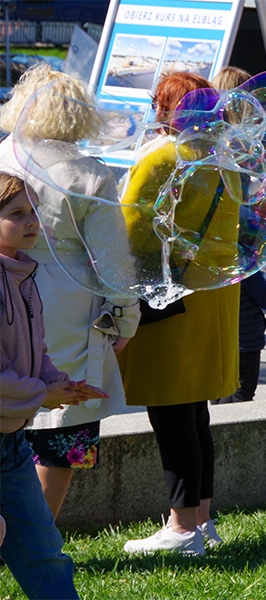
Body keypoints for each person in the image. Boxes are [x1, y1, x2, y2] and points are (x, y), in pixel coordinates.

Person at [0, 63, 140, 520]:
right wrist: (125, 318)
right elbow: (113, 261)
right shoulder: (89, 173)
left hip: (6, 292)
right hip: (70, 306)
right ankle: (39, 534)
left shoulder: (4, 157)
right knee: (63, 433)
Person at [118, 72, 240, 556]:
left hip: (171, 301)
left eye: (158, 102)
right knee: (194, 415)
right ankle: (201, 522)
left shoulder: (165, 156)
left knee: (170, 415)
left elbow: (127, 226)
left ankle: (181, 528)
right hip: (211, 297)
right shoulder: (224, 158)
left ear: (169, 109)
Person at [0, 172, 108, 600]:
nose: (32, 222)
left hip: (10, 443)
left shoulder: (25, 275)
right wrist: (41, 394)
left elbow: (32, 350)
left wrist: (57, 382)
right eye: (17, 214)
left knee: (45, 551)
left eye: (33, 212)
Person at [211, 267, 266, 404]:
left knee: (217, 392)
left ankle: (218, 424)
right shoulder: (244, 267)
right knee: (242, 395)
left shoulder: (205, 265)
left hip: (216, 341)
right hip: (246, 342)